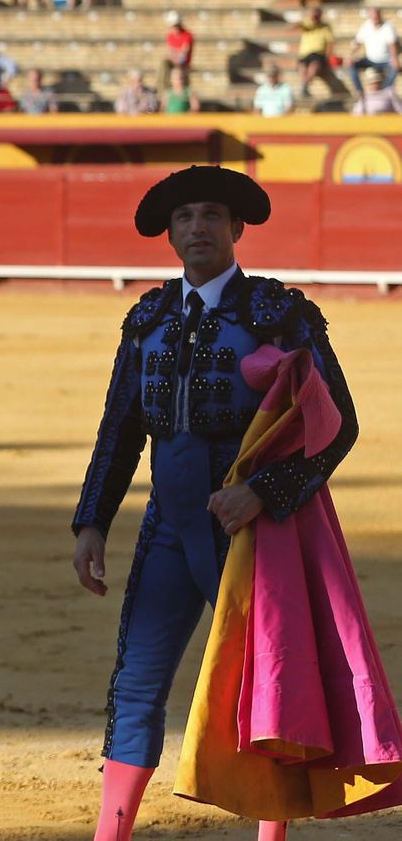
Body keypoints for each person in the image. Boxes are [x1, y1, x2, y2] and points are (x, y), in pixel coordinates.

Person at [72, 163, 356, 841]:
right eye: (184, 218)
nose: (196, 226)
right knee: (136, 682)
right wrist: (91, 522)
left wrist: (264, 492)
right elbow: (121, 429)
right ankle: (110, 835)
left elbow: (337, 422)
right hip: (167, 528)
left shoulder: (280, 314)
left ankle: (270, 836)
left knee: (270, 688)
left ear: (236, 228)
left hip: (256, 537)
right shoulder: (147, 318)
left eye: (209, 215)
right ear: (169, 236)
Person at [347, 6, 398, 96]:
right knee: (351, 65)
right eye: (373, 16)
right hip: (370, 59)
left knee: (395, 68)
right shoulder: (366, 26)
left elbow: (392, 45)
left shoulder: (388, 26)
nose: (375, 19)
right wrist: (350, 56)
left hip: (386, 60)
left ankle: (384, 92)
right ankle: (360, 91)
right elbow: (358, 42)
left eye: (376, 16)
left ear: (380, 16)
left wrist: (394, 58)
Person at [296, 4, 336, 98]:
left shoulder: (325, 27)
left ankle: (304, 86)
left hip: (318, 54)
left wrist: (327, 58)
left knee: (314, 66)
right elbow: (292, 27)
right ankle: (304, 86)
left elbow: (330, 43)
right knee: (302, 68)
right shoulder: (307, 24)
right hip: (304, 54)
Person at [159, 10, 194, 86]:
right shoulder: (170, 36)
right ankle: (164, 89)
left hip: (183, 63)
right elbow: (169, 52)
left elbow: (184, 53)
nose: (175, 28)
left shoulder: (187, 35)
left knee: (180, 71)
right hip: (173, 61)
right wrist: (176, 53)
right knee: (164, 64)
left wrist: (175, 53)